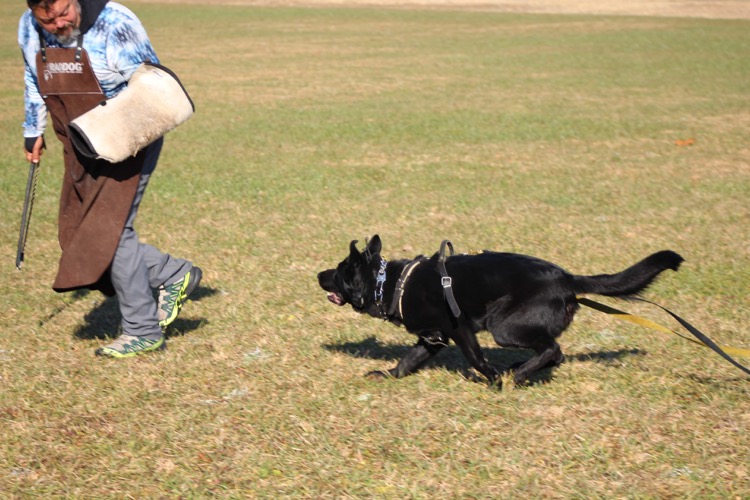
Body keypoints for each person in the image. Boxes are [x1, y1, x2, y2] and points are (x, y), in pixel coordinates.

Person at [18, 0, 202, 358]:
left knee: (110, 233)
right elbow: (32, 75)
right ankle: (170, 273)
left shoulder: (115, 23)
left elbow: (153, 87)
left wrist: (116, 138)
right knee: (76, 235)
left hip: (127, 136)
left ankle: (142, 330)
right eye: (48, 19)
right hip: (76, 142)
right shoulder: (28, 26)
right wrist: (32, 128)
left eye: (64, 13)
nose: (58, 24)